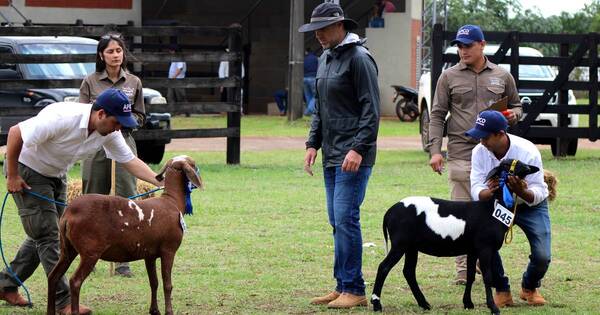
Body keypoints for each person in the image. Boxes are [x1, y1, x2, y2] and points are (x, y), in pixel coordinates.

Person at [0, 88, 162, 314]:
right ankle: (63, 302)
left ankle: (6, 284)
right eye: (117, 121)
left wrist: (161, 182)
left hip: (56, 173)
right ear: (101, 114)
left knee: (46, 232)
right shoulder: (62, 117)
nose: (119, 128)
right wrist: (14, 175)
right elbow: (15, 132)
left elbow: (130, 161)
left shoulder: (109, 132)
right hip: (28, 170)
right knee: (48, 235)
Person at [299, 2, 380, 309]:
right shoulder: (326, 58)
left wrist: (359, 149)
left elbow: (371, 110)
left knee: (346, 219)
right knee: (337, 221)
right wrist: (312, 143)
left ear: (340, 26)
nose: (318, 35)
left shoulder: (359, 58)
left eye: (322, 29)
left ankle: (355, 288)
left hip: (353, 155)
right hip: (332, 154)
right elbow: (320, 107)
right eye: (314, 30)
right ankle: (342, 285)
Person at [427, 24, 522, 285]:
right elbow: (436, 115)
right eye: (459, 45)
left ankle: (485, 262)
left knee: (490, 211)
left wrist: (515, 115)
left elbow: (516, 105)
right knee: (461, 212)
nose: (462, 50)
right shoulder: (448, 77)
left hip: (494, 156)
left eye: (468, 45)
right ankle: (462, 270)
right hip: (461, 152)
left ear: (482, 45)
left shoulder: (503, 76)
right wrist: (435, 150)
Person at [466, 110, 551, 307]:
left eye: (485, 137)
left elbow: (538, 189)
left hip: (529, 205)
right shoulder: (479, 152)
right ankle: (502, 290)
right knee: (485, 244)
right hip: (496, 203)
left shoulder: (527, 151)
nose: (481, 142)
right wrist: (487, 193)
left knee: (542, 255)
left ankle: (529, 287)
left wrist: (522, 192)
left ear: (500, 134)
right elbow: (476, 186)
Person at [79, 33, 145, 277]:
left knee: (126, 198)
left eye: (119, 51)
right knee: (92, 198)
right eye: (110, 51)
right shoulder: (90, 81)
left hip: (123, 141)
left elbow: (140, 115)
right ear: (101, 55)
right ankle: (89, 253)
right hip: (95, 144)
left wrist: (126, 122)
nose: (115, 55)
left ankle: (123, 260)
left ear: (123, 54)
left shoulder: (134, 82)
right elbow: (84, 113)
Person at [167, 43, 188, 116]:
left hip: (178, 80)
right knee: (170, 96)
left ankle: (186, 111)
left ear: (174, 51)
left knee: (181, 96)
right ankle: (172, 112)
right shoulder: (175, 58)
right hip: (172, 80)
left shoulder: (179, 58)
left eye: (170, 50)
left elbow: (180, 68)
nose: (169, 52)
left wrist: (173, 77)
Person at [303, 49, 318, 115]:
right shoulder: (316, 59)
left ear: (306, 52)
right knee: (315, 96)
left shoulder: (304, 59)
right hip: (313, 78)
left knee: (308, 96)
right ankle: (308, 111)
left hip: (304, 78)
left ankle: (310, 112)